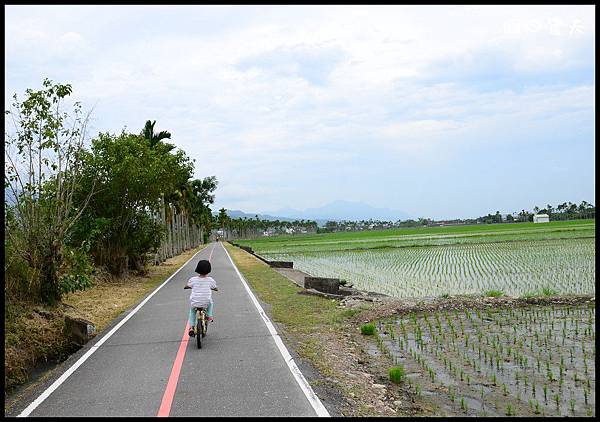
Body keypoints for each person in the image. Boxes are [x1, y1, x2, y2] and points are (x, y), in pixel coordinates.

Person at [184, 259, 218, 337]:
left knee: (192, 312)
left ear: (197, 269)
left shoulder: (193, 279)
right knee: (210, 302)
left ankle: (191, 328)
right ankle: (209, 315)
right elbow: (215, 288)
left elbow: (187, 285)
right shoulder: (210, 280)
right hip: (206, 302)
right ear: (209, 270)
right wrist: (215, 289)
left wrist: (187, 287)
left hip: (195, 302)